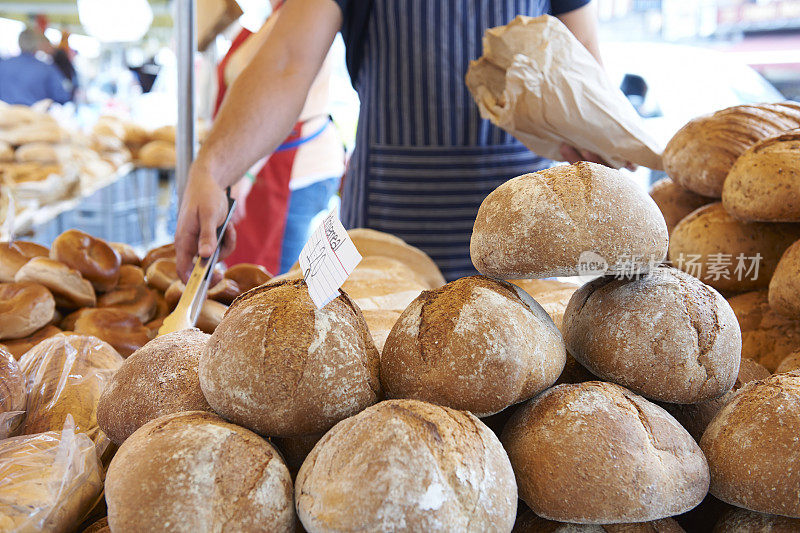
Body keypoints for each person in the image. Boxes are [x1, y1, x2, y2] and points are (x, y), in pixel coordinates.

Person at [177, 0, 606, 282]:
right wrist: (212, 169)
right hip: (386, 222)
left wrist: (599, 135)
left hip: (522, 225)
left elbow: (581, 52)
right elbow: (287, 61)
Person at [216, 0, 348, 275]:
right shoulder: (275, 18)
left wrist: (244, 172)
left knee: (283, 285)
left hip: (297, 168)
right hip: (270, 163)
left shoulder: (306, 15)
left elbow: (282, 106)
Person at [0, 28, 71, 106]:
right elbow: (62, 97)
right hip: (33, 116)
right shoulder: (47, 69)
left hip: (4, 115)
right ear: (37, 44)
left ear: (19, 42)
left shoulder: (3, 65)